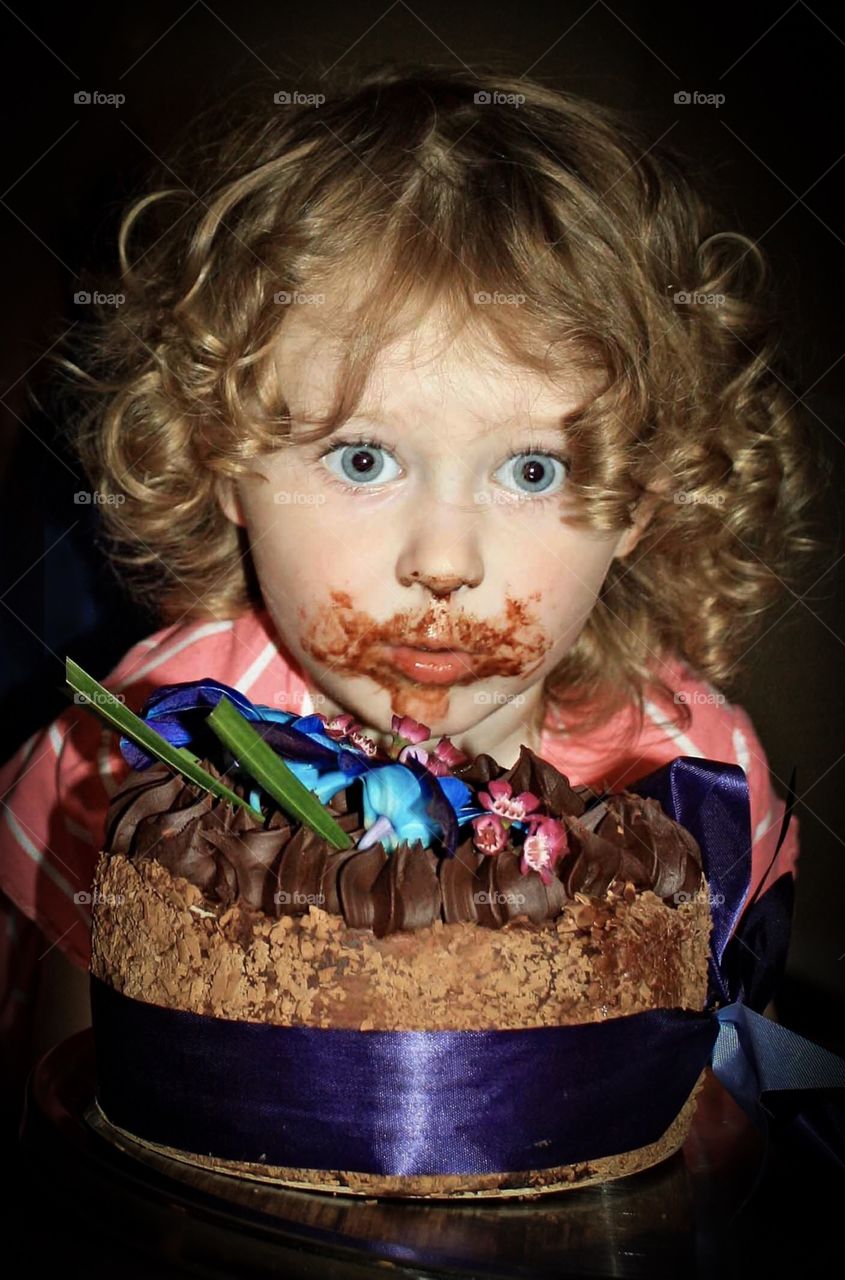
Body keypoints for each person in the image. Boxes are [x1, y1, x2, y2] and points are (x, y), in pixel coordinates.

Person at [0, 62, 823, 1076]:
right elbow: (71, 1102)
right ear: (223, 460)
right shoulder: (130, 755)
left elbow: (734, 1094)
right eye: (362, 459)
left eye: (532, 469)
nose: (443, 561)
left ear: (640, 501)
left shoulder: (698, 774)